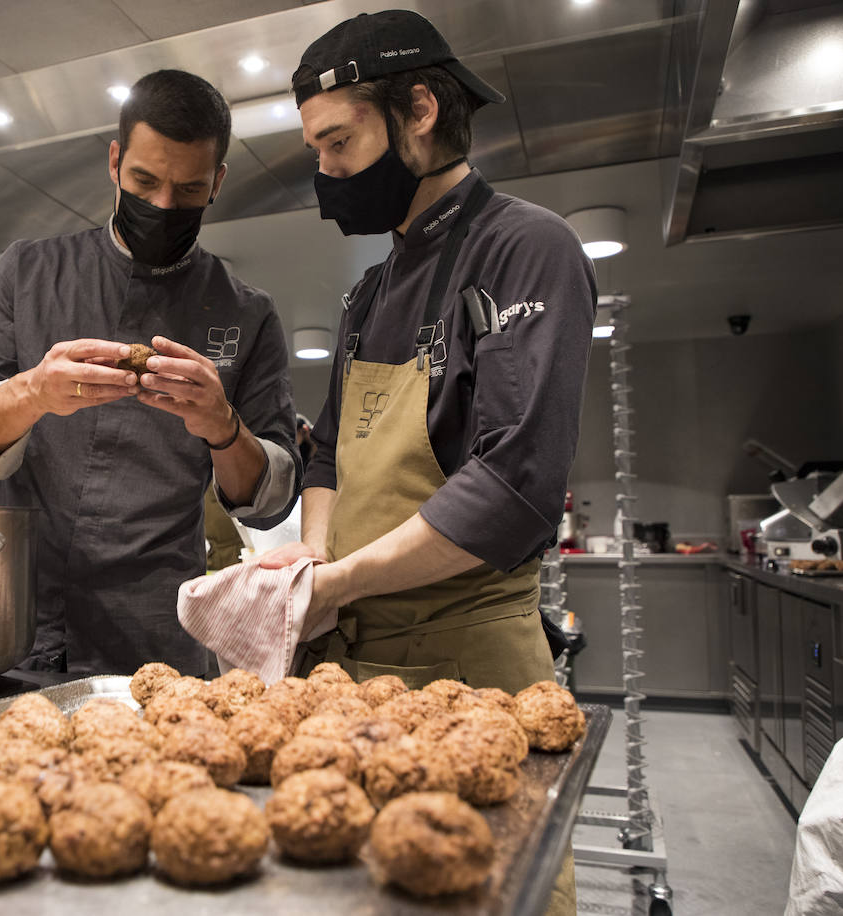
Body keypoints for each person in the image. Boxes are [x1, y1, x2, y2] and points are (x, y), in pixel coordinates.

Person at [262, 12, 596, 914]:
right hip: (348, 667)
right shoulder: (369, 291)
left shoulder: (527, 247)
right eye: (316, 148)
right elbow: (327, 449)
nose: (325, 171)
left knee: (480, 888)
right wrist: (314, 563)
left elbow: (513, 485)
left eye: (339, 142)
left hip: (470, 671)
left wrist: (338, 586)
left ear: (416, 108)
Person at [0, 69, 299, 677]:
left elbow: (271, 498)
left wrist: (223, 427)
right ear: (114, 161)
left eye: (188, 190)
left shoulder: (246, 312)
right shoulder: (29, 272)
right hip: (17, 616)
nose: (161, 205)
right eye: (145, 181)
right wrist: (34, 391)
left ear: (218, 183)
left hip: (157, 632)